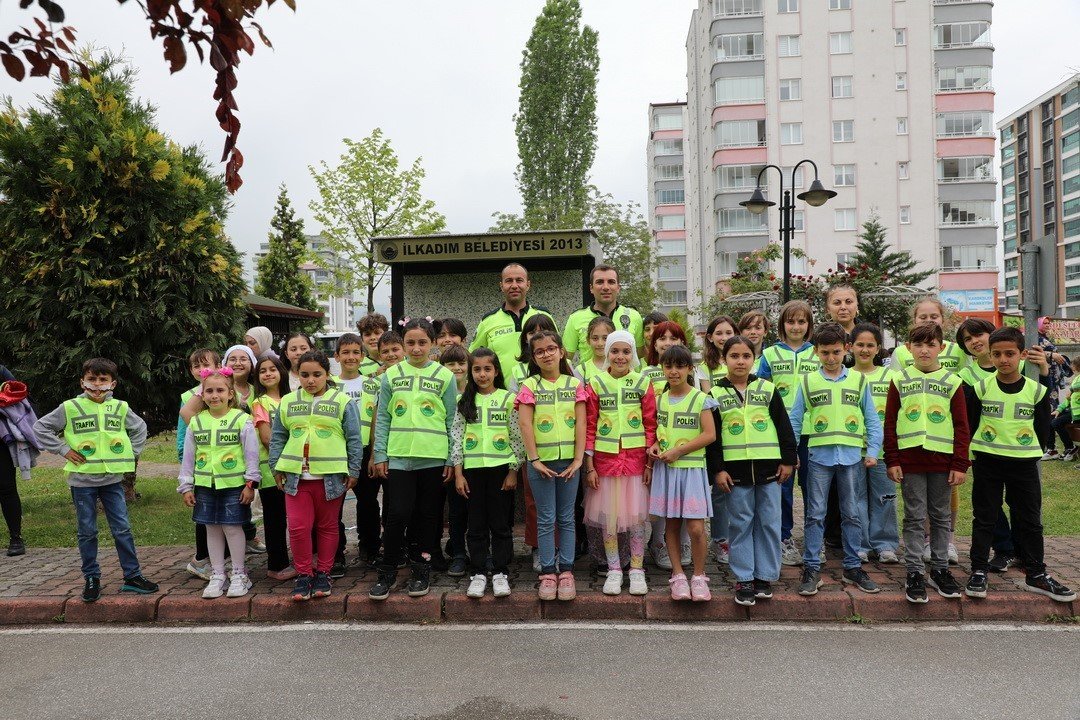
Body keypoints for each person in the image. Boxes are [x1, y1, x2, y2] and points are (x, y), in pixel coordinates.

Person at [33, 358, 158, 602]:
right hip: (82, 482)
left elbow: (140, 428)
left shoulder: (120, 407)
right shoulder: (70, 407)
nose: (97, 385)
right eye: (92, 379)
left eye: (103, 380)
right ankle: (92, 577)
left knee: (122, 529)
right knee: (87, 531)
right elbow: (39, 428)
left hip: (112, 480)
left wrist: (131, 453)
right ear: (83, 382)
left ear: (113, 383)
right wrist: (62, 449)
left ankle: (132, 576)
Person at [964, 327, 1075, 603]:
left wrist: (1029, 453)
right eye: (997, 354)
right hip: (988, 462)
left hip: (1023, 464)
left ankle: (1036, 573)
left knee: (1029, 519)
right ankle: (978, 570)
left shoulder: (1036, 390)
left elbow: (1042, 427)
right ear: (990, 355)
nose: (1004, 359)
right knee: (985, 517)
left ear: (1023, 355)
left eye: (1010, 354)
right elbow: (970, 423)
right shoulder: (980, 388)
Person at [788, 323, 883, 596]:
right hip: (818, 456)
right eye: (826, 352)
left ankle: (853, 566)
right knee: (815, 514)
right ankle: (811, 567)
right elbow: (795, 419)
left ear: (846, 350)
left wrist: (873, 451)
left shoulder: (859, 380)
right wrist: (793, 451)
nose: (831, 358)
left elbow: (872, 419)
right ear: (816, 352)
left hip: (852, 456)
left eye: (837, 352)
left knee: (851, 513)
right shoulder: (807, 381)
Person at [369, 319, 458, 601]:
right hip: (398, 458)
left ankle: (421, 569)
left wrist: (450, 458)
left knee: (428, 517)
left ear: (432, 344)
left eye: (422, 342)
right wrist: (380, 453)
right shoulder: (390, 375)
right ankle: (388, 570)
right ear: (403, 344)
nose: (416, 348)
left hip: (433, 458)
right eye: (411, 343)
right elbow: (382, 417)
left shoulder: (445, 376)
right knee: (396, 515)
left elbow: (452, 421)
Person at [883, 324, 970, 604]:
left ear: (941, 348)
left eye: (930, 345)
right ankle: (914, 572)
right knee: (914, 516)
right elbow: (890, 423)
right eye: (918, 344)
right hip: (910, 461)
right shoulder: (899, 380)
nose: (924, 350)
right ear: (908, 347)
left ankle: (940, 569)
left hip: (943, 462)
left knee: (941, 516)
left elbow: (961, 426)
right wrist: (892, 459)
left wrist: (960, 463)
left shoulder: (952, 381)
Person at [708, 335, 796, 607]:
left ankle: (764, 576)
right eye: (734, 356)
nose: (740, 361)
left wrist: (788, 460)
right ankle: (744, 577)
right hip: (736, 473)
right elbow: (713, 438)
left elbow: (784, 427)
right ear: (724, 360)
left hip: (770, 468)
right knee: (741, 524)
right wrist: (718, 470)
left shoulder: (768, 389)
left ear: (754, 359)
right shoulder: (715, 394)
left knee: (769, 521)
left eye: (746, 356)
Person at [271, 350, 363, 601]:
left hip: (330, 478)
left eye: (316, 375)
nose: (310, 380)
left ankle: (323, 572)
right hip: (295, 478)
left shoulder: (343, 401)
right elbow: (278, 437)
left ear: (326, 374)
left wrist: (354, 470)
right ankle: (304, 574)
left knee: (327, 526)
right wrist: (275, 467)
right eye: (304, 375)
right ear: (297, 375)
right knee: (299, 528)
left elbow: (354, 438)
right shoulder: (288, 402)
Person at [177, 367, 262, 599]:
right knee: (211, 528)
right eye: (209, 391)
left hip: (234, 486)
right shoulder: (196, 422)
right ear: (202, 395)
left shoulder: (241, 419)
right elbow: (188, 457)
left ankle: (239, 573)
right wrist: (186, 485)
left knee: (233, 528)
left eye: (220, 390)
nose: (215, 395)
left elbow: (251, 454)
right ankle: (217, 574)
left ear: (230, 394)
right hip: (205, 486)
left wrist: (250, 484)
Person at [583, 330, 656, 596]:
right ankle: (614, 569)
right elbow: (589, 425)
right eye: (615, 351)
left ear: (633, 354)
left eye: (626, 351)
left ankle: (637, 569)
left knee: (636, 519)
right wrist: (589, 466)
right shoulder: (596, 383)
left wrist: (649, 464)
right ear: (607, 354)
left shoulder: (642, 383)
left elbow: (651, 425)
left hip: (636, 463)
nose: (620, 356)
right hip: (605, 464)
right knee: (610, 520)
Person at [516, 330, 586, 601]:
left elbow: (581, 422)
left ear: (561, 351)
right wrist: (534, 460)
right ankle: (547, 572)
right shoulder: (529, 386)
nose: (546, 354)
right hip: (540, 464)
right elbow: (524, 424)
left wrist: (579, 459)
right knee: (546, 518)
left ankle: (566, 571)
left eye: (551, 349)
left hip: (570, 462)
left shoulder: (574, 384)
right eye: (539, 351)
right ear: (534, 357)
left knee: (567, 517)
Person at [451, 348, 525, 598]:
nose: (482, 374)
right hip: (472, 472)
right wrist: (459, 473)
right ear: (471, 372)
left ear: (496, 371)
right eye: (477, 369)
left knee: (500, 523)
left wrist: (513, 470)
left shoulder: (508, 399)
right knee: (476, 523)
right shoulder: (465, 402)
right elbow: (457, 438)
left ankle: (501, 571)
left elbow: (517, 437)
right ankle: (479, 571)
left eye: (487, 369)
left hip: (500, 471)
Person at [648, 345, 717, 601]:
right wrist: (655, 445)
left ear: (690, 369)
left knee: (696, 528)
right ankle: (677, 576)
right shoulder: (661, 399)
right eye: (668, 366)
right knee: (672, 524)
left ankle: (699, 576)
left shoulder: (701, 398)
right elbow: (659, 432)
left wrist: (680, 451)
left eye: (679, 366)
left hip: (692, 470)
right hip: (667, 470)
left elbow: (710, 435)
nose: (673, 371)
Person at [956, 317, 1022, 572]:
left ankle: (1023, 551)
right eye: (968, 339)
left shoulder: (1019, 364)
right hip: (984, 450)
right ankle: (1004, 549)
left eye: (979, 335)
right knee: (990, 505)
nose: (975, 342)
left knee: (1020, 503)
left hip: (1018, 448)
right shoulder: (964, 375)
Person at [756, 300, 818, 567]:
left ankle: (815, 540)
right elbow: (760, 392)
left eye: (801, 322)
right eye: (790, 321)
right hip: (780, 433)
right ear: (782, 325)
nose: (796, 326)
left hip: (813, 431)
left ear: (809, 325)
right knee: (783, 487)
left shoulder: (817, 353)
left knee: (813, 487)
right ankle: (784, 538)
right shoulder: (769, 355)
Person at [640, 320, 693, 569]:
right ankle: (658, 541)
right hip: (656, 445)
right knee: (659, 498)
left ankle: (683, 541)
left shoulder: (693, 373)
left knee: (683, 498)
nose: (668, 343)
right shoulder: (644, 373)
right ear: (654, 342)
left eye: (674, 338)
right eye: (662, 338)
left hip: (686, 447)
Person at [850, 323, 900, 564]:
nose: (865, 349)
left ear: (879, 348)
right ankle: (860, 544)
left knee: (885, 497)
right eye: (860, 344)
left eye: (870, 345)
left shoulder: (891, 377)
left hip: (882, 450)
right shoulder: (845, 376)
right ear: (850, 347)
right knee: (856, 498)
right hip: (853, 450)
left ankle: (885, 544)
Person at [251, 356, 295, 581]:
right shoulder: (260, 403)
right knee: (275, 519)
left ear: (282, 372)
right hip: (272, 470)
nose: (268, 374)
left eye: (272, 369)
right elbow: (267, 438)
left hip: (294, 467)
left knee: (294, 517)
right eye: (262, 371)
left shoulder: (291, 399)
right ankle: (276, 565)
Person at [470, 263, 557, 376]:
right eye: (509, 281)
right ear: (501, 286)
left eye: (519, 280)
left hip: (540, 390)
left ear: (528, 285)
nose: (514, 285)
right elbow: (473, 357)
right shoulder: (488, 321)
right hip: (502, 392)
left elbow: (557, 351)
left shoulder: (544, 316)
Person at [563, 265, 645, 364]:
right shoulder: (575, 318)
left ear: (618, 288)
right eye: (600, 282)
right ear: (591, 288)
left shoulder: (634, 316)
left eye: (611, 282)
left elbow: (640, 355)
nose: (606, 287)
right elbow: (565, 359)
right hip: (590, 379)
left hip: (627, 379)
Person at [439, 342, 471, 576]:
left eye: (461, 363)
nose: (457, 368)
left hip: (477, 459)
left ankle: (480, 549)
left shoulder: (476, 391)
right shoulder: (440, 393)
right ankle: (458, 551)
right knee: (456, 509)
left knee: (478, 509)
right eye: (451, 364)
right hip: (450, 460)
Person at [508, 314, 558, 394]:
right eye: (532, 333)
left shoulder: (566, 363)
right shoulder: (518, 370)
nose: (538, 336)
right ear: (525, 339)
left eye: (543, 332)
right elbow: (513, 401)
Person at [697, 315, 736, 394]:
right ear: (710, 337)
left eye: (728, 333)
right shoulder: (704, 366)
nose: (724, 338)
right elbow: (709, 398)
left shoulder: (745, 361)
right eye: (719, 333)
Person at [575, 316, 615, 384]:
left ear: (614, 339)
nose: (600, 343)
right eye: (595, 338)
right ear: (588, 340)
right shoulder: (582, 371)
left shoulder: (623, 367)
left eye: (605, 338)